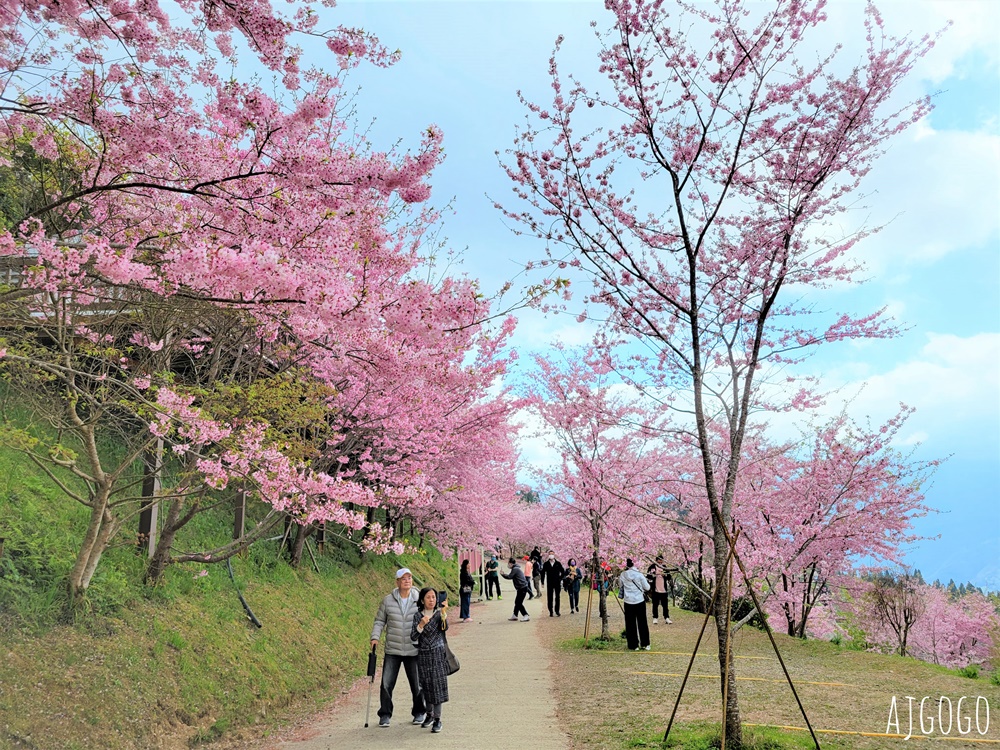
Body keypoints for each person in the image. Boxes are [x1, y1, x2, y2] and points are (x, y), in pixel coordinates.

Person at [370, 568, 427, 727]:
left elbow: (428, 615)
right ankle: (385, 714)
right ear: (397, 582)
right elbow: (379, 621)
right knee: (386, 684)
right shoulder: (388, 600)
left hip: (413, 648)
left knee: (417, 684)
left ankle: (419, 712)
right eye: (403, 578)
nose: (407, 580)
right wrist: (375, 637)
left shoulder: (419, 599)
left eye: (409, 578)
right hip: (393, 649)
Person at [411, 587, 450, 733]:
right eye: (428, 597)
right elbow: (413, 636)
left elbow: (444, 629)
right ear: (422, 600)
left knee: (437, 687)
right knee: (426, 686)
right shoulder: (417, 616)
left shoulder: (439, 614)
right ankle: (429, 714)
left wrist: (444, 613)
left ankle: (438, 719)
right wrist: (421, 625)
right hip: (423, 655)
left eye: (433, 597)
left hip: (438, 654)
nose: (431, 600)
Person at [619, 558, 651, 651]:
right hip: (639, 601)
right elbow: (647, 587)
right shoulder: (639, 574)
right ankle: (645, 644)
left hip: (628, 601)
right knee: (642, 623)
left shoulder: (623, 575)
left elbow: (620, 585)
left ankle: (633, 645)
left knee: (630, 623)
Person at [500, 557, 530, 621]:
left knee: (518, 602)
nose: (508, 565)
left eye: (508, 563)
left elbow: (509, 577)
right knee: (517, 602)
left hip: (522, 588)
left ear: (511, 563)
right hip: (521, 588)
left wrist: (503, 574)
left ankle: (525, 615)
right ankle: (515, 615)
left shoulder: (515, 569)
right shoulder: (516, 568)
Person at [646, 555, 673, 625]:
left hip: (663, 590)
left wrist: (665, 575)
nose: (660, 562)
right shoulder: (652, 567)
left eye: (661, 560)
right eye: (659, 560)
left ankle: (666, 618)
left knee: (665, 605)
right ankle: (655, 618)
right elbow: (648, 576)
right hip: (655, 589)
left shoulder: (664, 567)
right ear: (656, 560)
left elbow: (669, 576)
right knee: (655, 604)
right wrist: (654, 575)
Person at [541, 552, 565, 616]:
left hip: (557, 582)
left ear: (554, 555)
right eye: (550, 554)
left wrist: (560, 578)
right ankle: (550, 611)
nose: (551, 555)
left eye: (552, 554)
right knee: (550, 597)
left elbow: (563, 571)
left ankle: (557, 610)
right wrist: (542, 582)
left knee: (557, 597)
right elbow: (542, 572)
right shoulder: (546, 564)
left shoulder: (558, 563)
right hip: (549, 582)